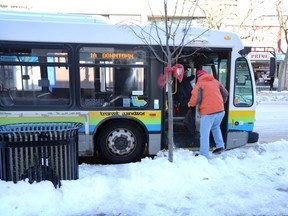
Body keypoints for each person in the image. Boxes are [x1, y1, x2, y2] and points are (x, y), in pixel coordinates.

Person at [188, 70, 229, 158]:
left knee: (204, 134)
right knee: (215, 127)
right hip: (221, 110)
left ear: (199, 77)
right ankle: (220, 146)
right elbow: (226, 93)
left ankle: (204, 154)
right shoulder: (216, 82)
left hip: (208, 112)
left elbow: (195, 99)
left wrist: (190, 104)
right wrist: (221, 103)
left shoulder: (200, 84)